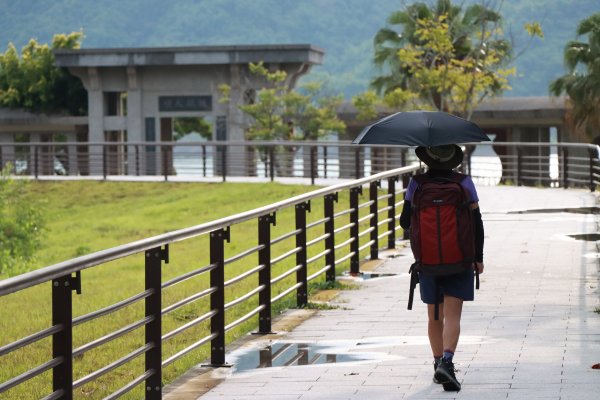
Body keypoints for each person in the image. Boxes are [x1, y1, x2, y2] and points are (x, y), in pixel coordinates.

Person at [399, 144, 485, 392]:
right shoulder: (464, 182)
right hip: (459, 259)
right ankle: (447, 362)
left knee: (434, 315)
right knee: (453, 315)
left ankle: (437, 363)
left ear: (427, 158)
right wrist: (478, 257)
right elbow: (477, 222)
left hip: (428, 261)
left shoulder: (417, 184)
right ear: (453, 160)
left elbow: (404, 222)